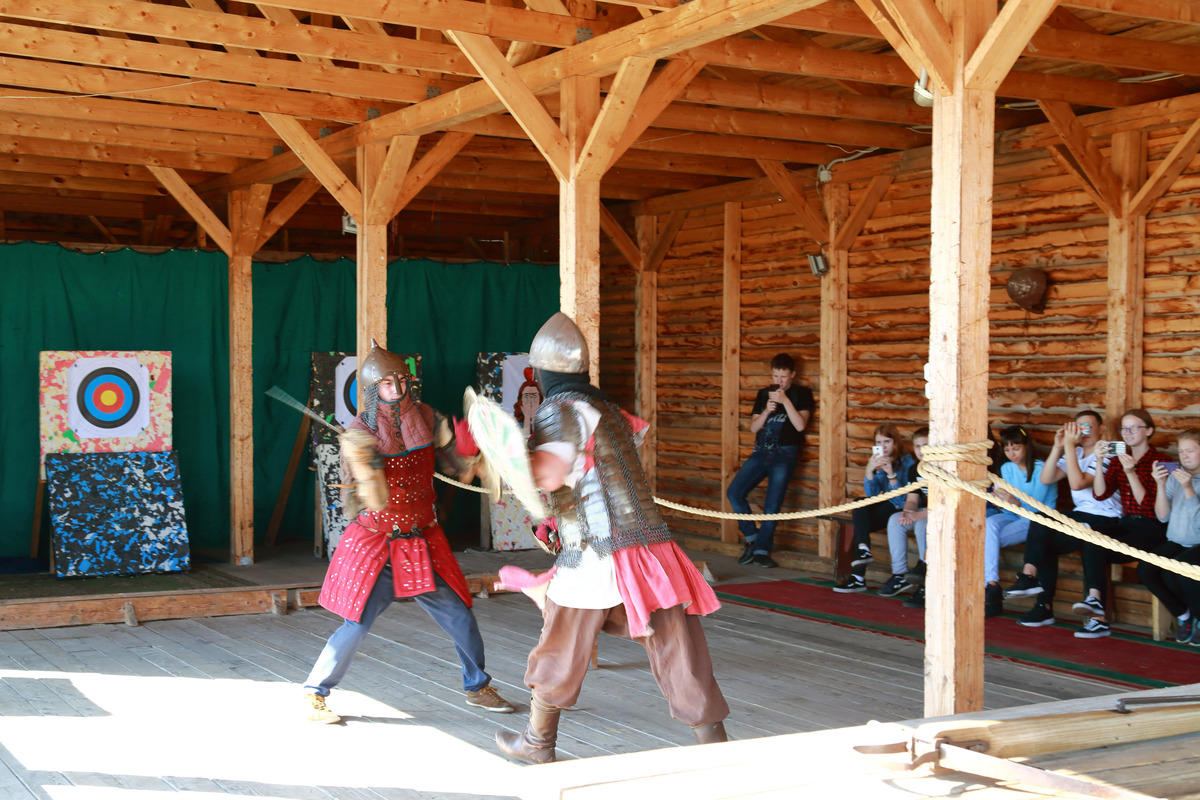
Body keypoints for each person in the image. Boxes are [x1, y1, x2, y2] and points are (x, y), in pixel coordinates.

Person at [495, 312, 728, 764]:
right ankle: (716, 749)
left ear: (542, 372)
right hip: (651, 547)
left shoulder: (559, 408)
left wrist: (502, 458)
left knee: (561, 640)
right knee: (679, 647)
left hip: (596, 551)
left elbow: (549, 474)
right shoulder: (608, 410)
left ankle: (538, 743)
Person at [301, 342, 515, 723]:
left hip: (422, 539)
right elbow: (355, 499)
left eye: (401, 380)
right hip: (379, 543)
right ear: (372, 389)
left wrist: (470, 451)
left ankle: (477, 686)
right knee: (357, 623)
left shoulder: (428, 418)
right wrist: (366, 467)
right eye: (387, 383)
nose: (397, 388)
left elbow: (457, 466)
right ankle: (313, 693)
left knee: (460, 613)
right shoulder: (360, 431)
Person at [1003, 411, 1122, 627]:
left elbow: (1078, 483)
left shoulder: (1106, 451)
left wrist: (1068, 446)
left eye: (1087, 427)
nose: (1083, 433)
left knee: (1052, 535)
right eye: (1079, 428)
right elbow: (1046, 478)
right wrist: (1059, 446)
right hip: (1081, 514)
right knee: (1043, 524)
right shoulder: (1075, 451)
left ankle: (1092, 614)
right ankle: (1037, 594)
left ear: (1101, 429)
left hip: (1106, 518)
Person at [1073, 408, 1168, 639]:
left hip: (1152, 529)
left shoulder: (1161, 462)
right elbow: (1100, 494)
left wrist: (1131, 473)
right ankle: (1095, 603)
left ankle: (1097, 615)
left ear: (1149, 431)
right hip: (1127, 524)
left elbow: (1149, 507)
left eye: (1134, 427)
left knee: (1097, 544)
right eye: (1124, 428)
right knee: (1092, 536)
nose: (1128, 432)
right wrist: (1098, 461)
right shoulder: (1118, 459)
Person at [725, 353, 813, 568]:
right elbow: (754, 427)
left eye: (783, 377)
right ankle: (752, 539)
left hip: (785, 453)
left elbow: (800, 425)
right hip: (761, 451)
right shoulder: (764, 394)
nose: (779, 381)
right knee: (734, 492)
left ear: (792, 375)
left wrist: (785, 401)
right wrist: (766, 410)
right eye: (775, 376)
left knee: (772, 504)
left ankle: (762, 550)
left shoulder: (802, 394)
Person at [982, 426, 1058, 617]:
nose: (1012, 454)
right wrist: (1000, 499)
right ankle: (991, 583)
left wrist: (1014, 501)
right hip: (1013, 515)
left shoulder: (1041, 469)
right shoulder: (1006, 468)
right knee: (988, 524)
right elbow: (1006, 504)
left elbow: (1035, 507)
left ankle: (989, 591)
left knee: (985, 540)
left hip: (1036, 521)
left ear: (1027, 446)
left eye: (1016, 448)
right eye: (1007, 450)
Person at [833, 424, 915, 594]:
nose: (883, 446)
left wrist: (891, 474)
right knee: (859, 505)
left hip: (901, 507)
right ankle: (863, 550)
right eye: (879, 442)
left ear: (895, 442)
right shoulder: (878, 459)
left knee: (860, 525)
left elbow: (901, 501)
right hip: (885, 504)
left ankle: (858, 578)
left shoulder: (907, 461)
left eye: (887, 441)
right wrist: (870, 470)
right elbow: (872, 494)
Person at [1138, 430, 1200, 643]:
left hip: (1198, 543)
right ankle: (1184, 615)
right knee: (1146, 569)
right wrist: (1161, 485)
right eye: (1181, 451)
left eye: (1190, 450)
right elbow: (1162, 516)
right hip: (1176, 540)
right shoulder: (1176, 477)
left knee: (1182, 570)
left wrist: (1188, 488)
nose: (1184, 456)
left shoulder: (1189, 481)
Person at [887, 427, 929, 607]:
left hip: (943, 514)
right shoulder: (916, 469)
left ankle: (925, 570)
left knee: (922, 523)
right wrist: (908, 512)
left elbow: (946, 505)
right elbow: (912, 500)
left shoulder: (943, 468)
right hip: (926, 511)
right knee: (895, 520)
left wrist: (919, 515)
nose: (921, 450)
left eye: (926, 445)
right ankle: (900, 574)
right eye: (917, 446)